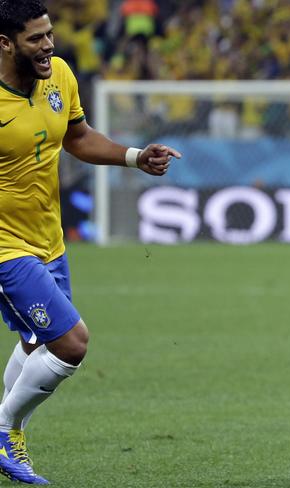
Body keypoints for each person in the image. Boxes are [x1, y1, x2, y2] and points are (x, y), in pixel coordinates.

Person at [0, 1, 181, 484]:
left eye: (50, 34)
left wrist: (134, 156)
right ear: (5, 43)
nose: (49, 45)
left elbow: (77, 137)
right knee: (71, 343)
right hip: (4, 246)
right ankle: (3, 428)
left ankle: (8, 433)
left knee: (34, 339)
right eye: (35, 38)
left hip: (49, 239)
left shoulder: (59, 74)